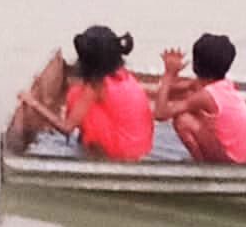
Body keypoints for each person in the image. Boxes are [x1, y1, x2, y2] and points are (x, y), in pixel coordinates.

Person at [18, 26, 154, 161]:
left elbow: (67, 128)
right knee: (80, 96)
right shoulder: (124, 75)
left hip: (121, 153)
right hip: (141, 148)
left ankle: (93, 153)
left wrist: (33, 103)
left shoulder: (96, 85)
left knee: (76, 95)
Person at [154, 33, 246, 164]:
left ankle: (203, 167)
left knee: (183, 119)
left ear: (195, 64)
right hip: (244, 157)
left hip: (234, 162)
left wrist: (169, 74)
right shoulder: (222, 85)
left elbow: (160, 113)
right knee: (188, 104)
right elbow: (172, 90)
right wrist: (171, 76)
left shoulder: (206, 95)